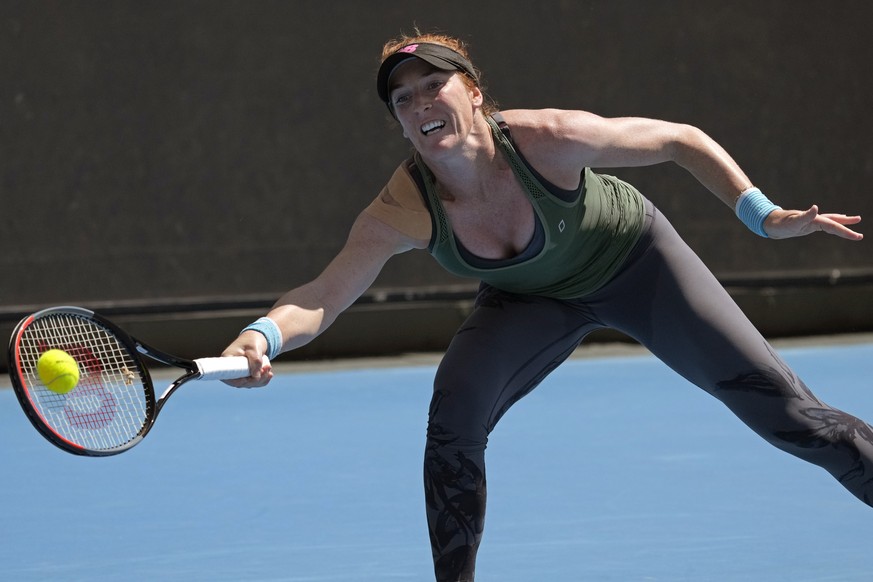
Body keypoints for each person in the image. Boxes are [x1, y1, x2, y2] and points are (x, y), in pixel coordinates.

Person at [222, 32, 870, 582]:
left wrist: (762, 215)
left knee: (791, 417)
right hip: (528, 298)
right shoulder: (402, 209)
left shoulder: (549, 140)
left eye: (433, 86)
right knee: (453, 417)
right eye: (402, 98)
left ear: (472, 93)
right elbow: (322, 295)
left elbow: (678, 138)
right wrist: (261, 336)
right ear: (397, 119)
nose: (419, 102)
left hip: (634, 264)